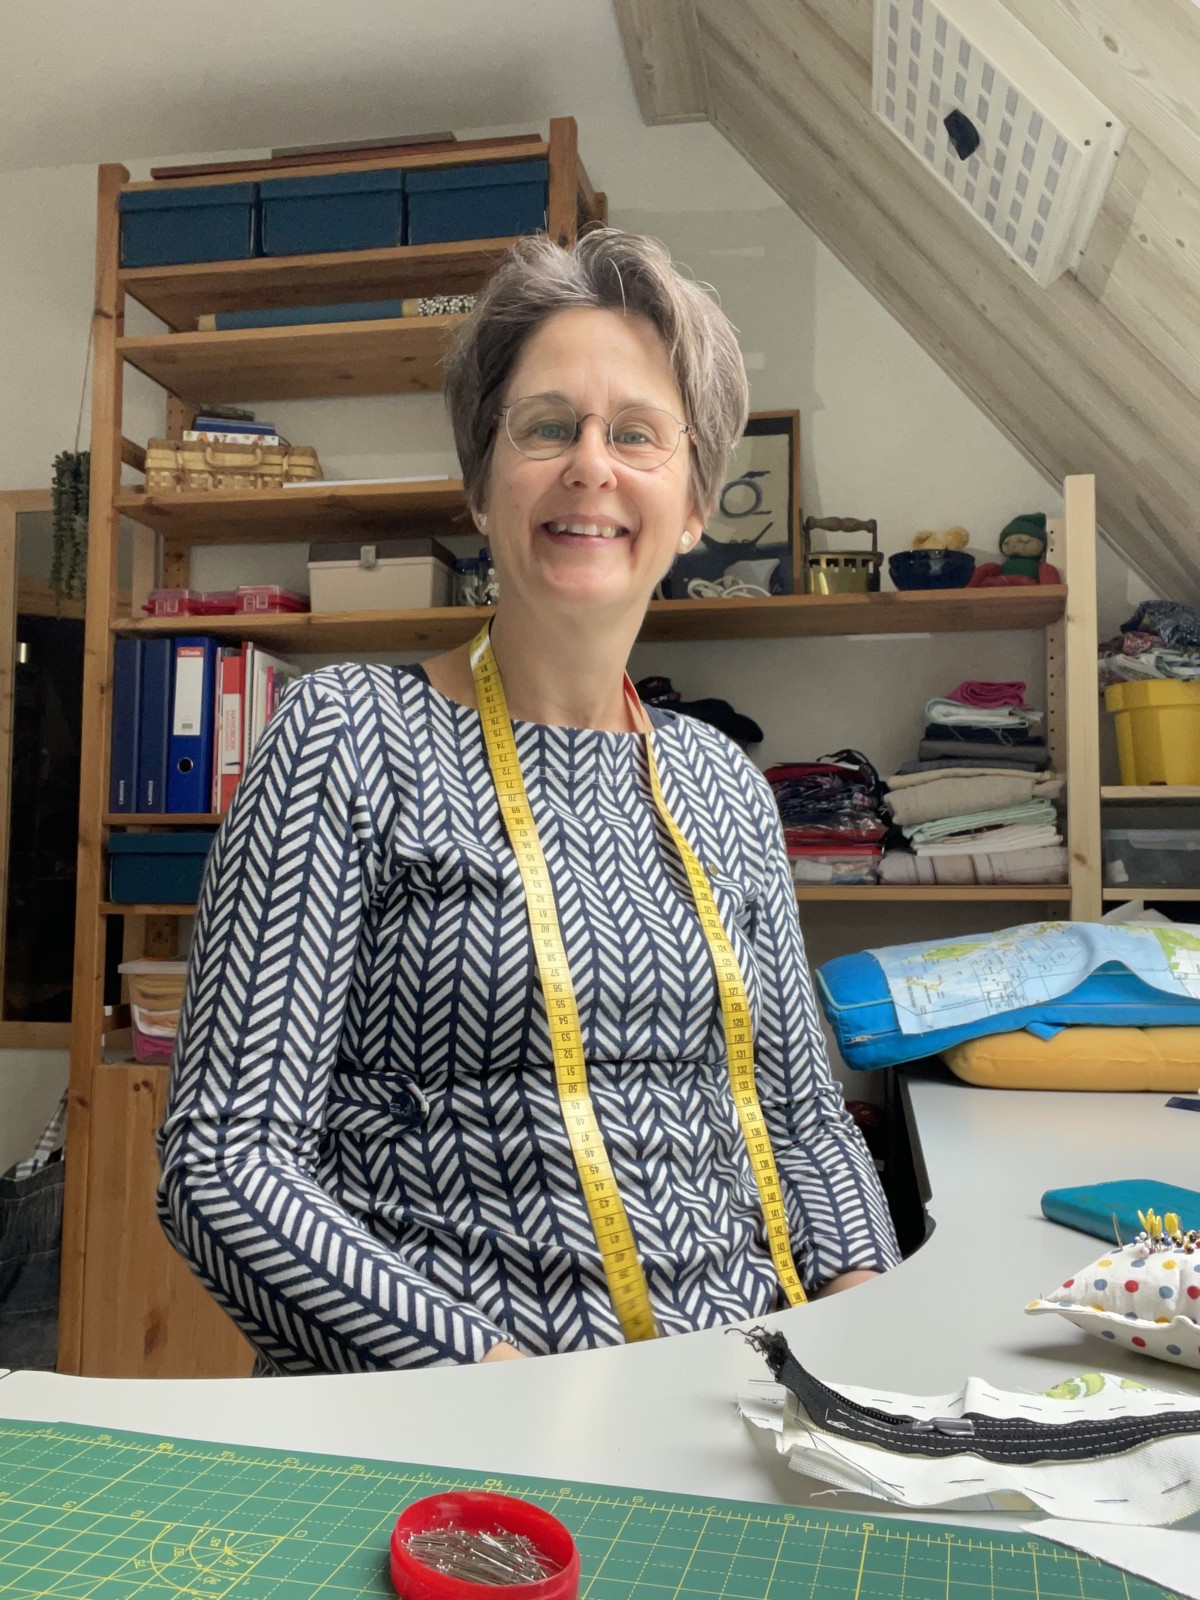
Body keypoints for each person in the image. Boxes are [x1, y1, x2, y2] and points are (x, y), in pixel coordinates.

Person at [157, 229, 900, 1374]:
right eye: (548, 426)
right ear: (481, 480)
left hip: (741, 1391)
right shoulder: (348, 736)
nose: (591, 465)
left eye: (637, 434)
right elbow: (226, 1165)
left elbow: (803, 1123)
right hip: (456, 1415)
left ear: (694, 505)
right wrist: (488, 1381)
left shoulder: (724, 786)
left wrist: (862, 1322)